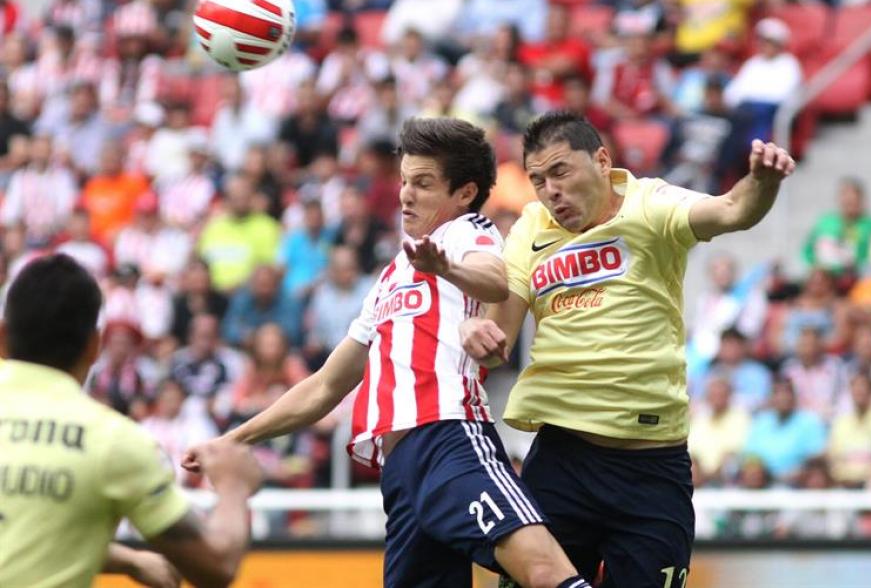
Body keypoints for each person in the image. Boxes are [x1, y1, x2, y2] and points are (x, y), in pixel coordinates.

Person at [185, 118, 591, 588]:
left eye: (422, 183)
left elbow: (494, 278)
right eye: (403, 181)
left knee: (544, 570)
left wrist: (447, 268)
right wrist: (236, 439)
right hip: (401, 473)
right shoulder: (391, 276)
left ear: (464, 193)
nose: (405, 195)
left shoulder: (465, 234)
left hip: (449, 440)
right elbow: (324, 386)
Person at [460, 111, 796, 587]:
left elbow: (732, 210)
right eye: (538, 180)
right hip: (562, 461)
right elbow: (499, 342)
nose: (549, 190)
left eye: (560, 172)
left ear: (601, 160)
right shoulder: (530, 228)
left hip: (652, 469)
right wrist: (477, 332)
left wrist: (762, 181)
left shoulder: (651, 204)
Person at [0, 254, 263, 587]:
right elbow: (216, 565)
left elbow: (23, 529)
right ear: (95, 347)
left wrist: (128, 559)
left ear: (2, 336)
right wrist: (233, 486)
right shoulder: (114, 441)